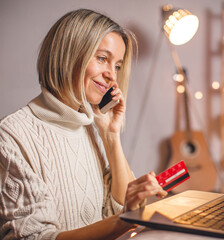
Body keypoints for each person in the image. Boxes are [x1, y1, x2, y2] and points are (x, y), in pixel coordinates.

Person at [0, 9, 167, 239]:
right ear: (69, 54)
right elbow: (36, 236)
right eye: (102, 59)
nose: (112, 76)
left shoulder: (91, 125)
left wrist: (111, 135)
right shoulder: (11, 136)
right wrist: (124, 220)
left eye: (117, 66)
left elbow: (116, 211)